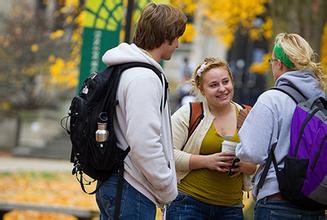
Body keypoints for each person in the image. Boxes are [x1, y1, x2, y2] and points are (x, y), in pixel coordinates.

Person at [95, 3, 187, 219]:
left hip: (115, 182)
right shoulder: (144, 78)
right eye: (176, 37)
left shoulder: (124, 68)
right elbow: (144, 142)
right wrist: (167, 187)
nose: (178, 44)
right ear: (165, 36)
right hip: (132, 188)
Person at [235, 33, 327, 219]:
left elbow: (252, 153)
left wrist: (245, 129)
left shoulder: (272, 99)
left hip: (277, 203)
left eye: (271, 61)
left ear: (279, 63)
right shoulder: (321, 100)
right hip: (315, 204)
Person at [167, 57, 257, 220]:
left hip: (231, 208)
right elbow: (167, 154)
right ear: (202, 90)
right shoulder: (190, 113)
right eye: (214, 85)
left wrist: (242, 165)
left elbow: (259, 163)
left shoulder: (247, 115)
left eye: (225, 82)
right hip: (188, 204)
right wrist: (208, 161)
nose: (222, 89)